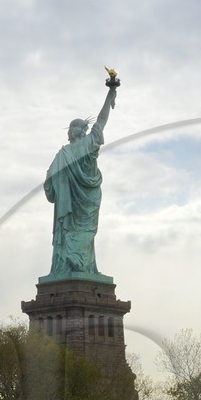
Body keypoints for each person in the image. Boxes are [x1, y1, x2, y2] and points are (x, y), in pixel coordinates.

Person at [43, 75, 118, 279]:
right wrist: (51, 178)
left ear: (80, 130)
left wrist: (109, 95)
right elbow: (49, 181)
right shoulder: (63, 153)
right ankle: (69, 266)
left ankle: (84, 267)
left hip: (87, 197)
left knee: (86, 232)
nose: (69, 131)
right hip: (72, 201)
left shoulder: (88, 143)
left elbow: (101, 121)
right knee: (68, 229)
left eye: (72, 128)